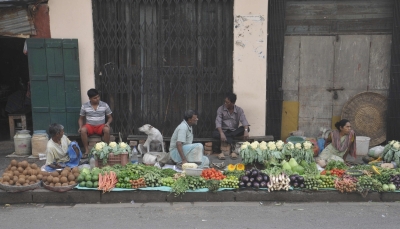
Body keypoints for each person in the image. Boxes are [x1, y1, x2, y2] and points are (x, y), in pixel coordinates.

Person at [213, 93, 250, 160]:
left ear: (233, 103)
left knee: (246, 129)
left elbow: (244, 121)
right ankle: (230, 139)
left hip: (233, 131)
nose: (225, 103)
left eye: (227, 102)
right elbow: (218, 122)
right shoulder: (220, 109)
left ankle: (229, 137)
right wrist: (221, 133)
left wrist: (246, 131)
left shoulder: (239, 110)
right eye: (225, 102)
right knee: (215, 133)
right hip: (223, 131)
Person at [78, 88, 113, 157]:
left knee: (107, 129)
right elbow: (81, 119)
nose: (97, 99)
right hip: (89, 126)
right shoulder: (84, 106)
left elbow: (110, 117)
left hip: (101, 126)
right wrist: (80, 127)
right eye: (95, 98)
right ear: (90, 99)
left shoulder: (104, 105)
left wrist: (108, 123)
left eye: (98, 97)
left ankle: (106, 148)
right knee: (83, 130)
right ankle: (87, 151)